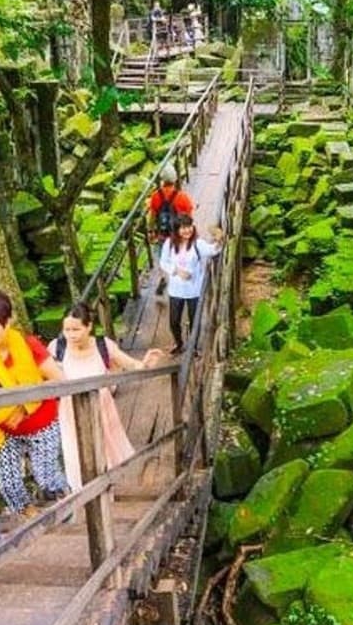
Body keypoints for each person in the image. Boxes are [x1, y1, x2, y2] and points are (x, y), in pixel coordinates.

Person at [0, 290, 68, 517]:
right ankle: (30, 517)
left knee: (46, 477)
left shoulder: (29, 346)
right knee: (7, 481)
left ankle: (67, 499)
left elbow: (59, 380)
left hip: (40, 422)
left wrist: (24, 403)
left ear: (7, 323)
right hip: (1, 425)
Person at [49, 303, 166, 490]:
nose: (71, 335)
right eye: (67, 330)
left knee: (105, 450)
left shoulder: (103, 346)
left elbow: (131, 364)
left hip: (101, 407)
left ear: (88, 327)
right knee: (74, 453)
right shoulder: (57, 347)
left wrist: (145, 363)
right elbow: (46, 376)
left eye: (76, 329)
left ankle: (104, 487)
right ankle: (83, 493)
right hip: (69, 410)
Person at [159, 215, 224, 354]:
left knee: (194, 320)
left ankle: (193, 346)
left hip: (194, 289)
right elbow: (163, 262)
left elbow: (213, 250)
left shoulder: (197, 243)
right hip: (176, 289)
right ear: (176, 230)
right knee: (174, 321)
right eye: (183, 228)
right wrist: (176, 271)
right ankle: (179, 343)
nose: (187, 230)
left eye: (189, 227)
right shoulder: (169, 243)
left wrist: (219, 240)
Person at [147, 162, 194, 241]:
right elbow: (189, 218)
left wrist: (151, 231)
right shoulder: (183, 197)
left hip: (163, 235)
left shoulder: (155, 196)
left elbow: (152, 217)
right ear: (175, 178)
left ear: (162, 179)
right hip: (178, 236)